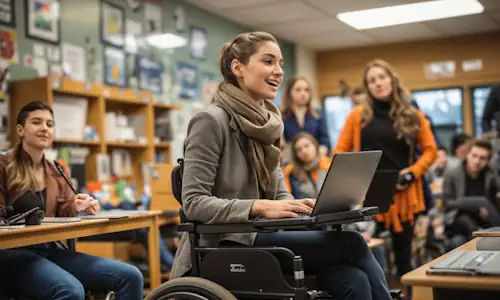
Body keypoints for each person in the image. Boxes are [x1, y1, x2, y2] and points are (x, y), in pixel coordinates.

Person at [170, 31, 392, 300]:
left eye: (281, 64)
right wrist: (258, 206)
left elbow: (279, 195)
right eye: (268, 61)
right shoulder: (210, 121)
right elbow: (193, 202)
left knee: (353, 278)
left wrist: (304, 210)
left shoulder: (269, 124)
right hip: (226, 245)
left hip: (263, 238)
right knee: (353, 243)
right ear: (237, 68)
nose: (278, 71)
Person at [0, 101, 143, 300]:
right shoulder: (3, 166)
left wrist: (78, 206)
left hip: (51, 249)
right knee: (71, 290)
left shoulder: (58, 170)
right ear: (20, 129)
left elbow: (63, 214)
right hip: (11, 254)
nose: (44, 128)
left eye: (49, 124)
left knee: (130, 276)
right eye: (36, 122)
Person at [334, 59, 437, 278]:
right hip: (370, 195)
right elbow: (339, 152)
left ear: (391, 79)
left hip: (404, 195)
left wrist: (413, 172)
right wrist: (356, 176)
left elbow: (430, 150)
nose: (378, 83)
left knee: (404, 261)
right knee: (370, 259)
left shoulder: (413, 114)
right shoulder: (357, 116)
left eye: (382, 77)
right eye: (372, 80)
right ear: (368, 87)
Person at [443, 139, 498, 243]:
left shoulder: (490, 176)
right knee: (458, 241)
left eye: (482, 158)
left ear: (488, 161)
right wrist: (475, 207)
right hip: (458, 219)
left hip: (484, 223)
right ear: (467, 155)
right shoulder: (452, 174)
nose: (477, 161)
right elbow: (447, 203)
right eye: (474, 156)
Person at [281, 76, 330, 156]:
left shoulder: (319, 114)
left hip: (317, 160)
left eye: (306, 90)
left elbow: (325, 142)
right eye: (298, 90)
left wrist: (316, 154)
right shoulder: (282, 117)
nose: (303, 93)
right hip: (292, 161)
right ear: (289, 93)